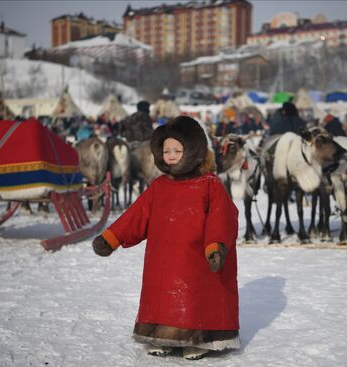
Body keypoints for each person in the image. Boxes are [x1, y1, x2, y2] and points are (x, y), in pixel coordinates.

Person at [92, 116, 240, 360]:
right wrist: (112, 237)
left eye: (177, 150)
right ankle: (161, 335)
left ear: (193, 151)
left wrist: (215, 246)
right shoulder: (159, 186)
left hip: (197, 257)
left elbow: (221, 218)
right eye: (166, 150)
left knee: (195, 296)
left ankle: (198, 339)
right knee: (162, 296)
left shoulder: (210, 185)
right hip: (163, 259)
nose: (170, 155)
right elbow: (136, 216)